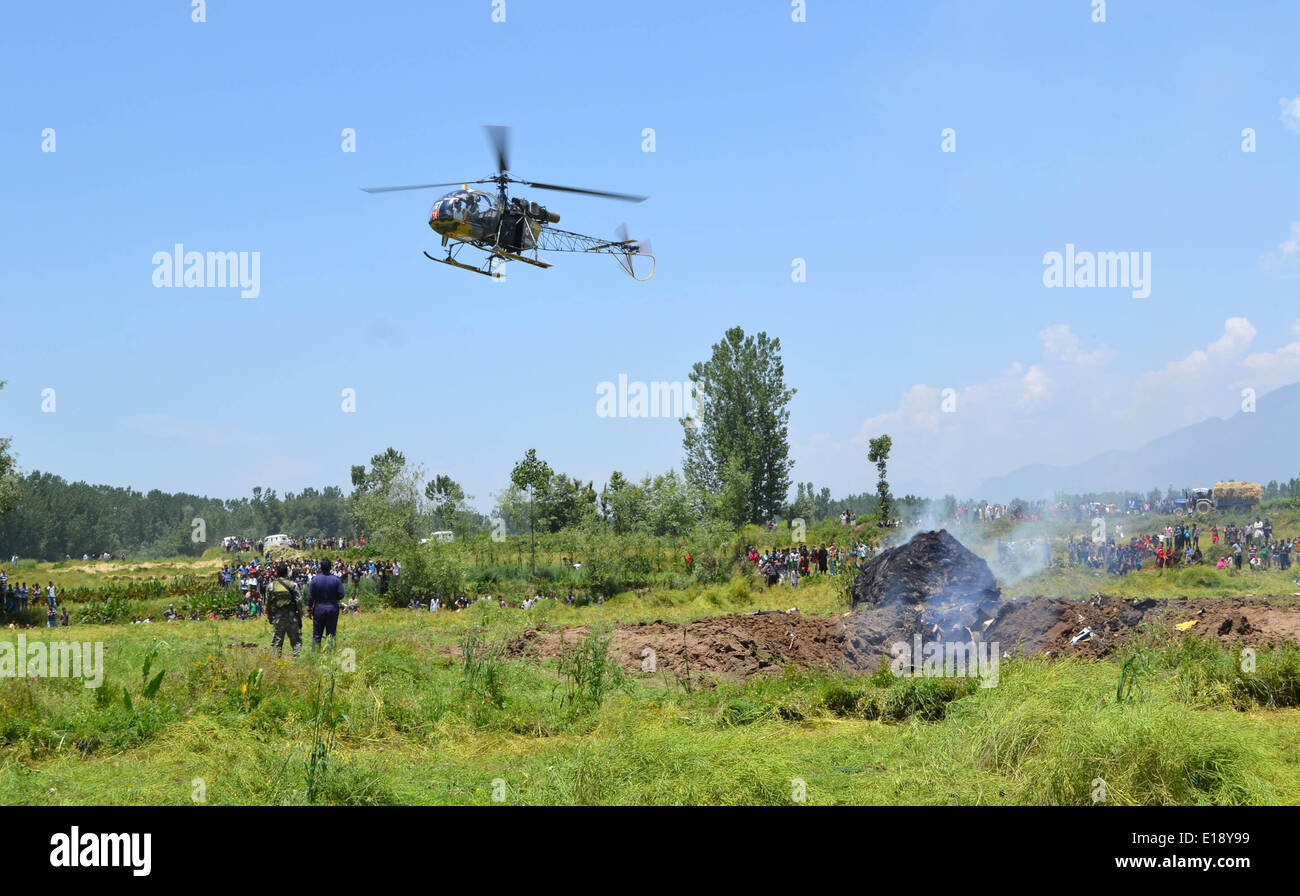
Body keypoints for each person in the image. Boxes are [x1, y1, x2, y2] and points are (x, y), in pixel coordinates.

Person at [265, 563, 304, 658]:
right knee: (296, 641)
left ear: (276, 573)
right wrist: (300, 614)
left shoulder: (271, 586)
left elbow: (268, 604)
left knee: (277, 641)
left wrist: (270, 617)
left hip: (278, 617)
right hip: (292, 616)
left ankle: (276, 661)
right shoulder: (292, 585)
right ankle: (297, 659)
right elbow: (299, 601)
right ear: (287, 573)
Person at [308, 557, 345, 650]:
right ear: (330, 567)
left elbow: (311, 597)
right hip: (332, 608)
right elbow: (341, 595)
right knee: (331, 634)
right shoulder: (336, 580)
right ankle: (330, 654)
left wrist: (309, 609)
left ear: (320, 567)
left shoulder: (315, 580)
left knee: (317, 634)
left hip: (319, 609)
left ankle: (315, 655)